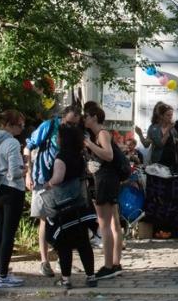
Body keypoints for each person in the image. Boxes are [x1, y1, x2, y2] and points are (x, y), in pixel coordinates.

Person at [26, 106, 80, 278]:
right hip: (43, 179)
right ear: (62, 117)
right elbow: (28, 147)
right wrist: (28, 173)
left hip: (64, 181)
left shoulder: (74, 131)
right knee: (44, 219)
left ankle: (63, 260)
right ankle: (44, 260)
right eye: (69, 122)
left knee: (65, 220)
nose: (71, 126)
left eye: (75, 124)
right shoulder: (48, 126)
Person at [46, 121, 97, 288]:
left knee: (65, 244)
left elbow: (58, 178)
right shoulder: (79, 156)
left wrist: (48, 183)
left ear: (63, 139)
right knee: (83, 242)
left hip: (64, 205)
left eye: (58, 136)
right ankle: (91, 276)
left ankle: (66, 279)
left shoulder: (61, 157)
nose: (57, 138)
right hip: (80, 204)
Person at [0, 110, 26, 288]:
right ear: (10, 125)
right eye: (19, 125)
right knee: (9, 232)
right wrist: (26, 169)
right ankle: (3, 275)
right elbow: (15, 172)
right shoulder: (12, 143)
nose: (21, 129)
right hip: (11, 190)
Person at [83, 106, 123, 280]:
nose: (84, 119)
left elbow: (109, 155)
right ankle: (115, 262)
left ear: (94, 117)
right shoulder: (98, 135)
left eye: (86, 116)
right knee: (113, 222)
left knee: (105, 224)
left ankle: (108, 266)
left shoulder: (101, 134)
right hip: (109, 179)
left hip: (105, 181)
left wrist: (90, 145)